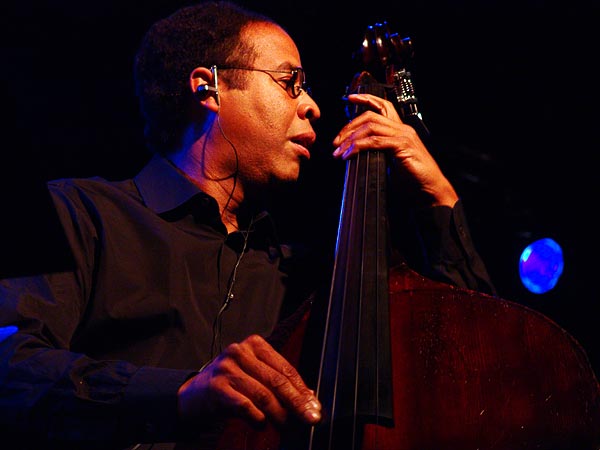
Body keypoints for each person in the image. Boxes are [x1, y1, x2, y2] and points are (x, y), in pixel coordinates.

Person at [0, 1, 496, 448]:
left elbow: (476, 360)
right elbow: (11, 364)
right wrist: (178, 393)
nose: (312, 106)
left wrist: (437, 194)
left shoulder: (308, 279)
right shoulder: (78, 213)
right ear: (208, 86)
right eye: (289, 82)